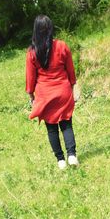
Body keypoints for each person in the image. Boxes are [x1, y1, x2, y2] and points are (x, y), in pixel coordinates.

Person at [25, 15, 79, 170]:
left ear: (35, 31)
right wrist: (73, 86)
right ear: (50, 29)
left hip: (45, 95)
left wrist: (31, 96)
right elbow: (70, 71)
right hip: (63, 91)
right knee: (66, 124)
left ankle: (60, 160)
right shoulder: (62, 46)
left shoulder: (32, 53)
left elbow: (30, 78)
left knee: (51, 128)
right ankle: (72, 155)